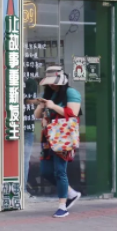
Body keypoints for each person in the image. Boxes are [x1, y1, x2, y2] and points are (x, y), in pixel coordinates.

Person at [34, 66, 82, 218]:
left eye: (54, 82)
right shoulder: (49, 93)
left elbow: (73, 113)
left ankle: (62, 206)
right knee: (46, 171)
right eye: (49, 82)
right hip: (48, 137)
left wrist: (53, 106)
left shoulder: (71, 92)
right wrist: (42, 105)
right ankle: (70, 193)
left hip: (63, 137)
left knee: (60, 171)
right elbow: (37, 115)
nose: (52, 85)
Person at [23, 78, 39, 197]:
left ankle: (23, 188)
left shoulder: (31, 81)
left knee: (25, 160)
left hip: (28, 126)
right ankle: (22, 189)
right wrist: (38, 101)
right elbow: (26, 101)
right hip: (23, 127)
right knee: (24, 159)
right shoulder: (30, 82)